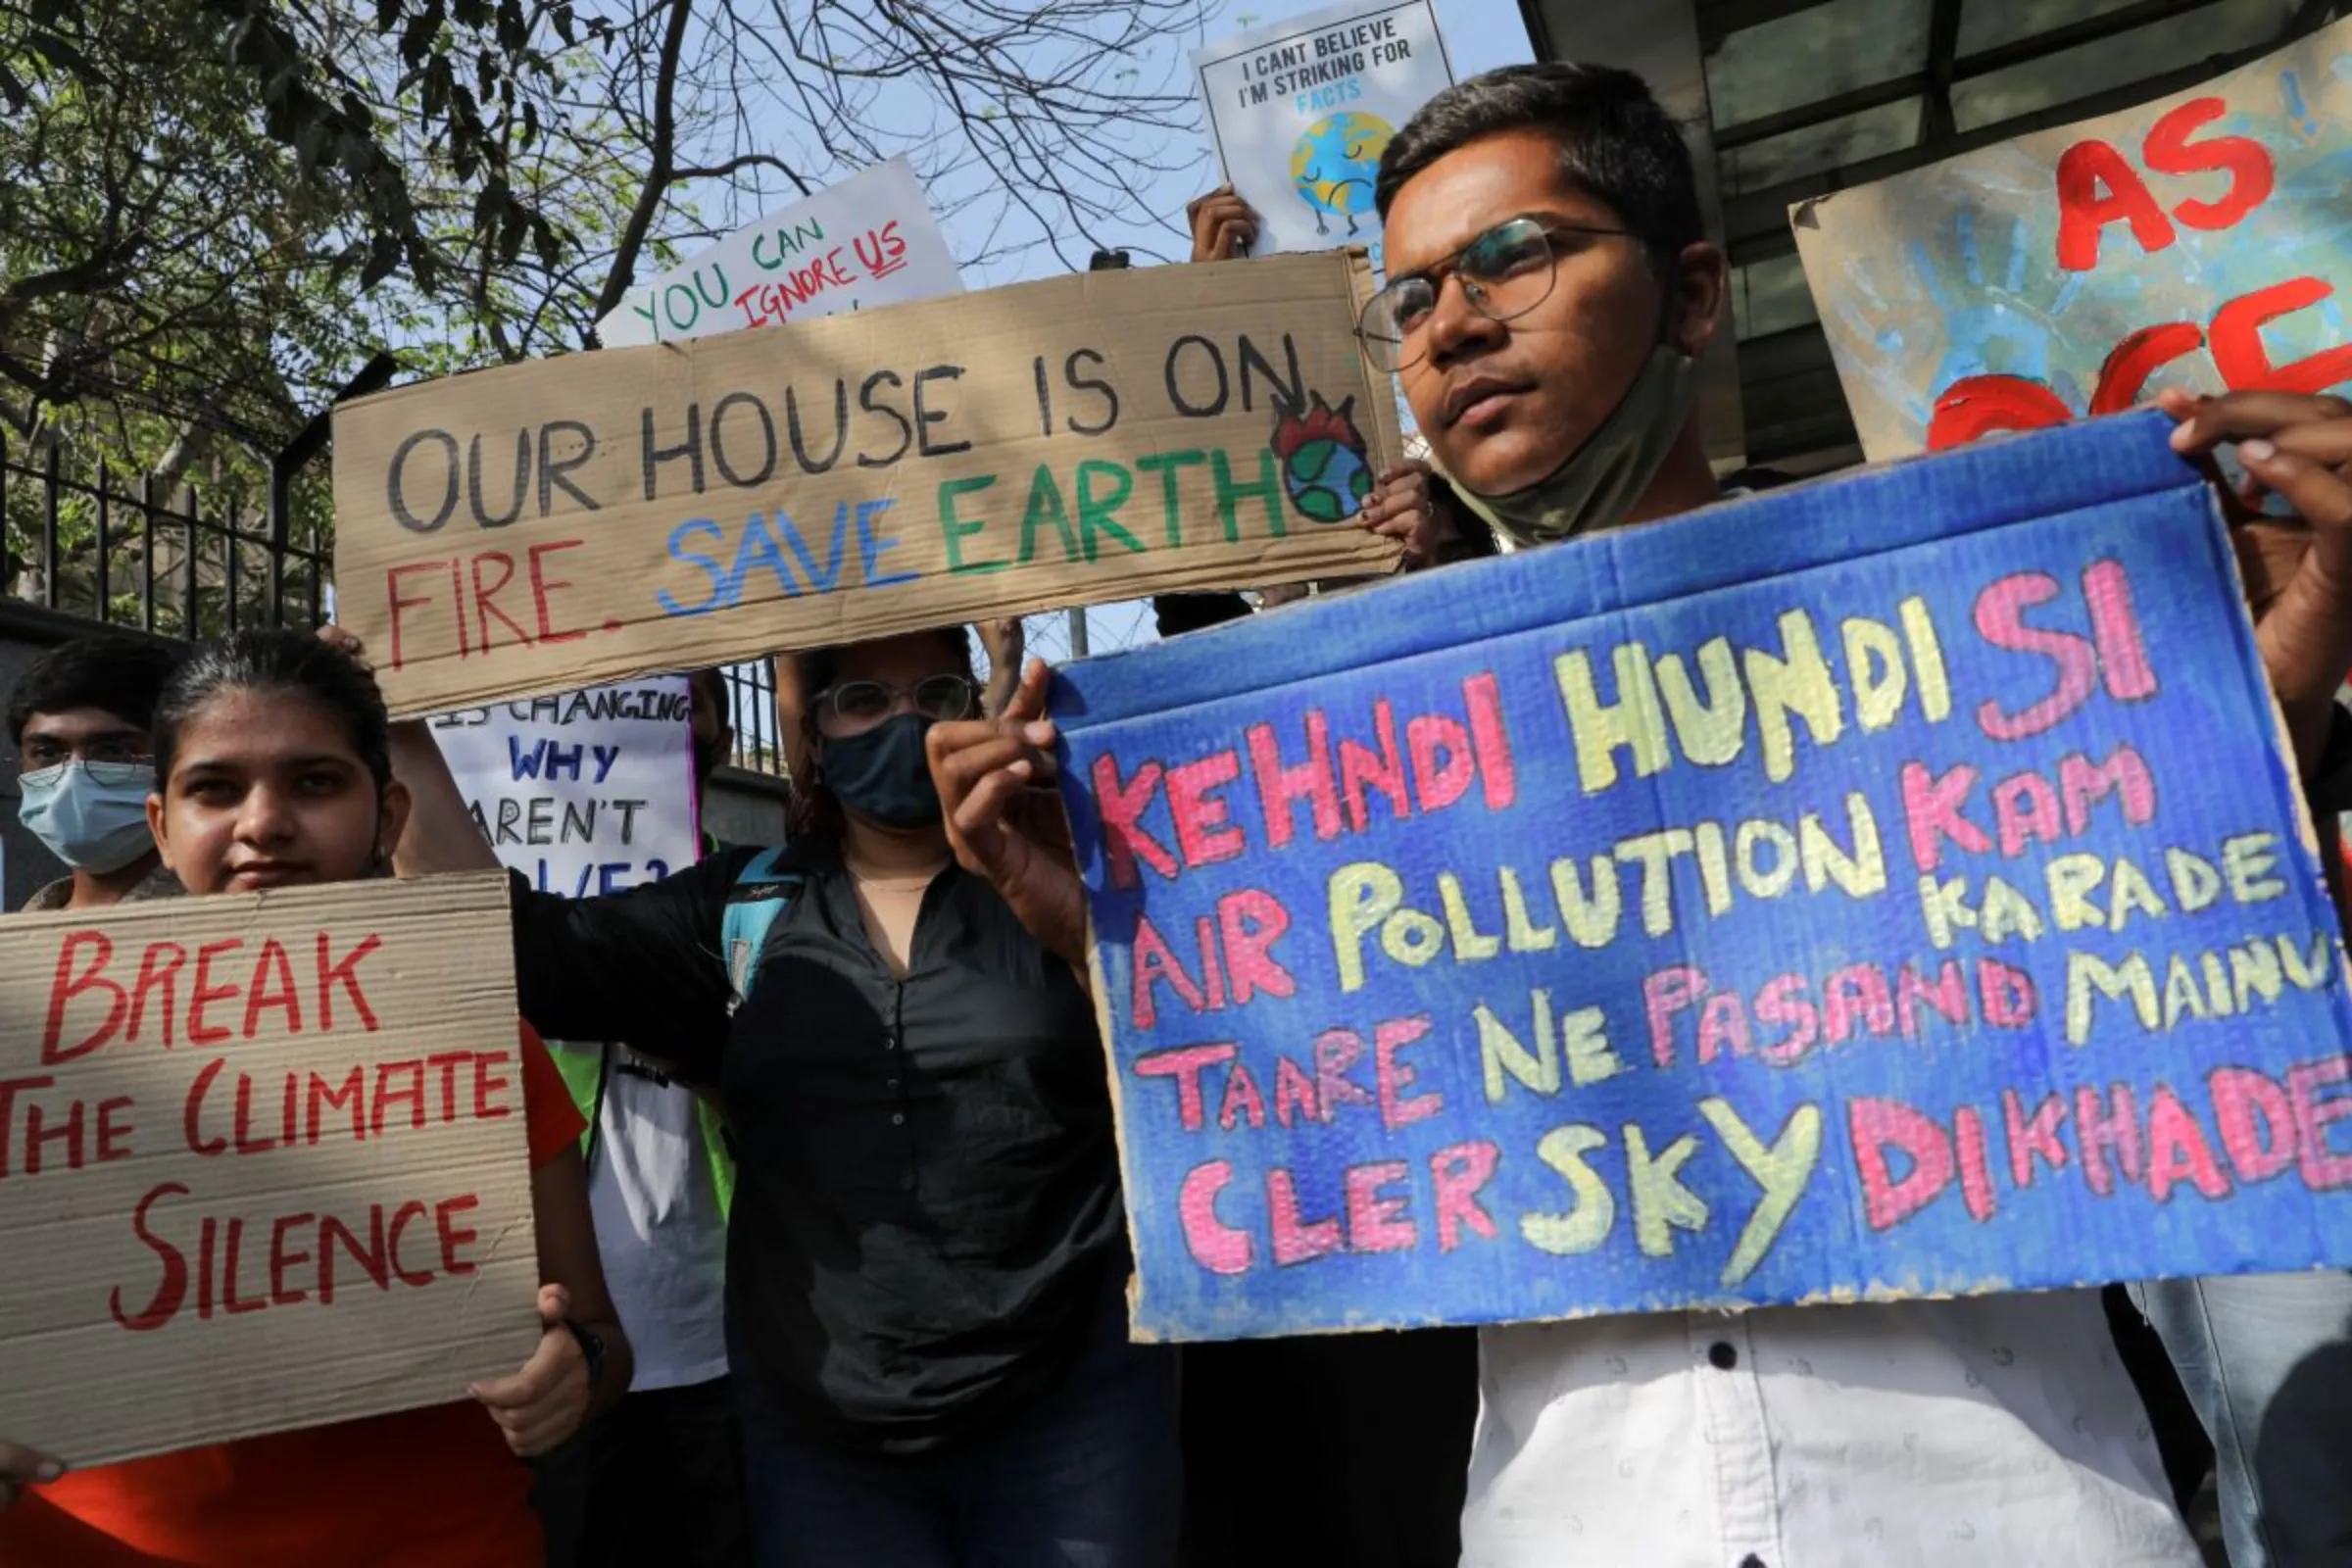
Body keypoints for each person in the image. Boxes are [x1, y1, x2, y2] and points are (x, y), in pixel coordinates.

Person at [931, 62, 2352, 1567]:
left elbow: (2135, 977)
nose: (1454, 325)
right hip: (1582, 1518)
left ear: (1688, 293)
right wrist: (1130, 951)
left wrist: (2235, 729)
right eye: (1408, 299)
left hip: (1994, 1508)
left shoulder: (1959, 649)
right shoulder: (1354, 768)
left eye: (1511, 258)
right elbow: (1341, 1110)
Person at [386, 625, 1178, 1568]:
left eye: (936, 693)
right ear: (815, 740)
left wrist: (1085, 924)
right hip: (826, 1445)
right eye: (864, 702)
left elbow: (1207, 1042)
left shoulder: (1066, 874)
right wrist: (390, 727)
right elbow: (519, 946)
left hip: (1075, 1415)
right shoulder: (742, 907)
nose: (905, 722)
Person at [0, 628, 632, 1567]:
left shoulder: (478, 1041)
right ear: (162, 823)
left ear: (387, 816)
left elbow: (602, 1341)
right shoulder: (28, 1046)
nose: (264, 823)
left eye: (315, 782)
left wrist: (566, 1376)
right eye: (215, 788)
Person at [541, 665, 749, 1568]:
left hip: (725, 1346)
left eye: (680, 698)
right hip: (558, 1351)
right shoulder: (509, 906)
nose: (648, 716)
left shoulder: (754, 901)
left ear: (722, 737)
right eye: (619, 695)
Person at [9, 633, 182, 909]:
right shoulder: (16, 936)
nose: (72, 779)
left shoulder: (234, 929)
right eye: (48, 753)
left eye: (112, 751)